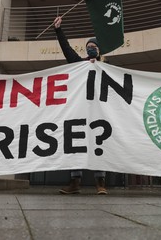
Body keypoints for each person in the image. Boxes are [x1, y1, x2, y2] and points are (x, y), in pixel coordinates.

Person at [53, 16, 108, 195]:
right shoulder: (79, 64)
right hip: (80, 112)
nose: (90, 50)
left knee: (98, 146)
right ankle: (75, 182)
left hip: (99, 113)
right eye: (88, 48)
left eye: (93, 47)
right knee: (76, 145)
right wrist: (58, 30)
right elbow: (67, 49)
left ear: (99, 50)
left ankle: (100, 183)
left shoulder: (107, 68)